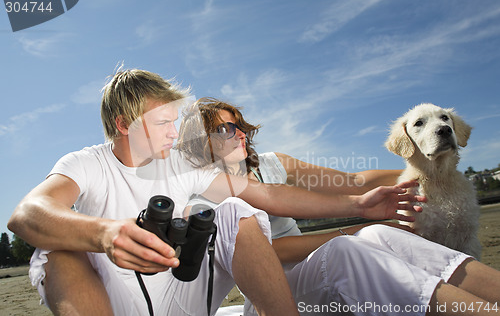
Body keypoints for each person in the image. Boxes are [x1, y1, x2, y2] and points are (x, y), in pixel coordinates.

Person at [7, 69, 425, 316]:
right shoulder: (86, 163)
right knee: (56, 250)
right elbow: (27, 214)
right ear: (124, 125)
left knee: (232, 209)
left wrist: (357, 204)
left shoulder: (185, 166)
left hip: (179, 290)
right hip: (113, 298)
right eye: (163, 122)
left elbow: (274, 197)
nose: (175, 131)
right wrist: (103, 234)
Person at [176, 97, 500, 316]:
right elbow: (271, 251)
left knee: (379, 236)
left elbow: (354, 182)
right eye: (224, 128)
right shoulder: (203, 196)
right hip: (275, 296)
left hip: (319, 274)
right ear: (199, 142)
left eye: (239, 125)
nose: (239, 134)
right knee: (346, 249)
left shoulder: (273, 165)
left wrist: (429, 171)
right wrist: (355, 228)